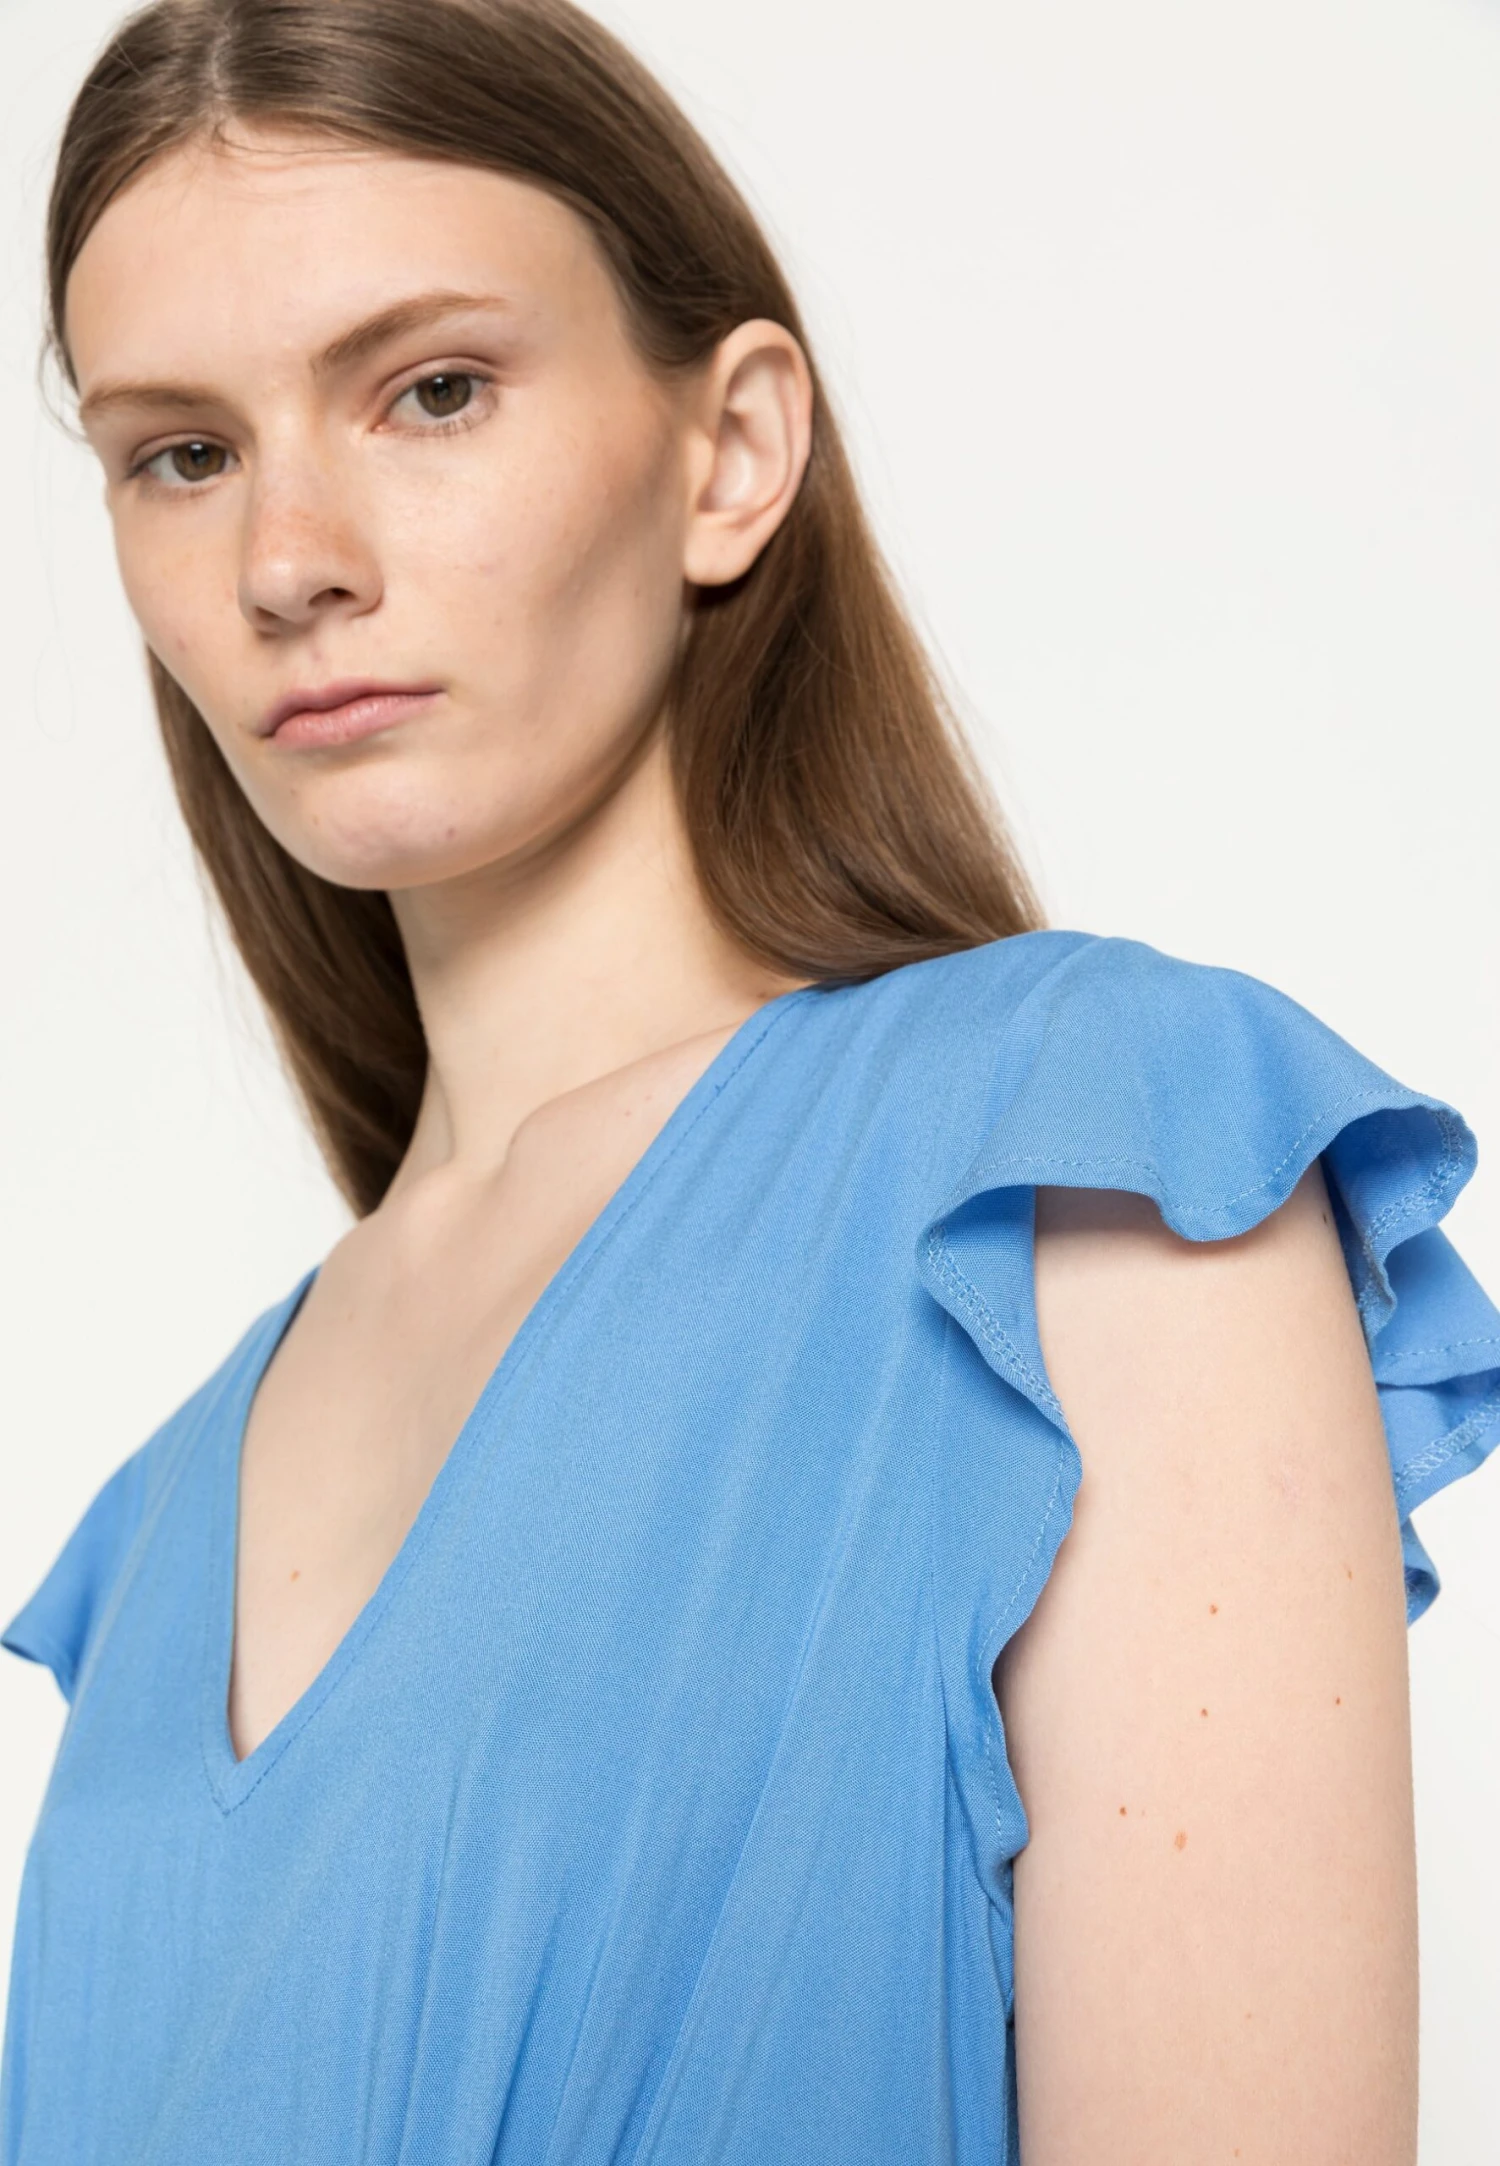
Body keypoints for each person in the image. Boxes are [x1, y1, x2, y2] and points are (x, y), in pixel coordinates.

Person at [4, 1, 1497, 2159]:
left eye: (433, 390)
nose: (287, 560)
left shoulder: (1083, 1175)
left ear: (731, 452)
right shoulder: (155, 1532)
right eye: (181, 453)